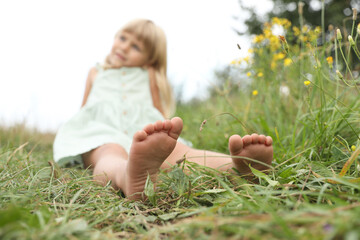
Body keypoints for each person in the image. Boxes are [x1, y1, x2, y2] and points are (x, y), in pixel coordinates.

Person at [53, 19, 273, 200]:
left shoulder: (147, 73)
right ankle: (128, 177)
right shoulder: (95, 72)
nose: (125, 47)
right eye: (123, 38)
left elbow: (157, 110)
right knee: (109, 153)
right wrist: (78, 136)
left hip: (140, 129)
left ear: (150, 58)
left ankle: (239, 168)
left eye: (136, 47)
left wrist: (163, 136)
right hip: (100, 129)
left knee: (179, 153)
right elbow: (85, 107)